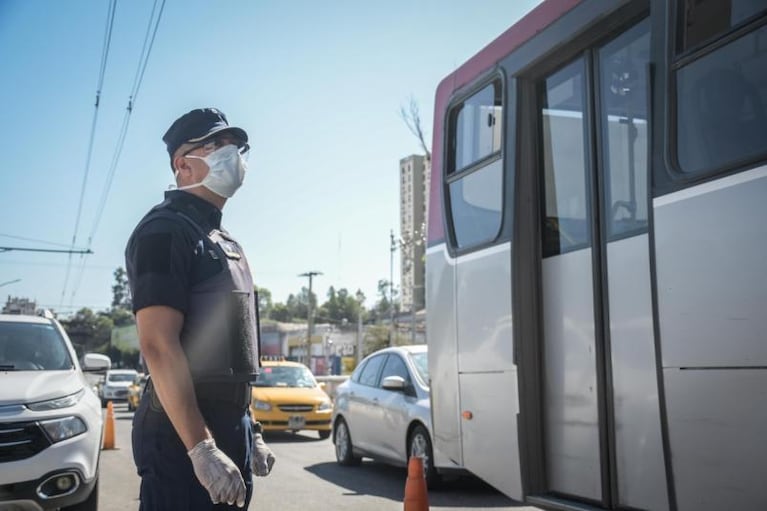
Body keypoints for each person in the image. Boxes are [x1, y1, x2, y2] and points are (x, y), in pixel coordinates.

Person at [125, 107, 275, 510]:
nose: (231, 154)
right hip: (183, 432)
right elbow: (157, 344)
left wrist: (251, 427)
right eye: (216, 145)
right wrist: (201, 449)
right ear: (182, 164)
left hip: (228, 424)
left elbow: (234, 344)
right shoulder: (163, 231)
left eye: (235, 146)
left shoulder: (223, 242)